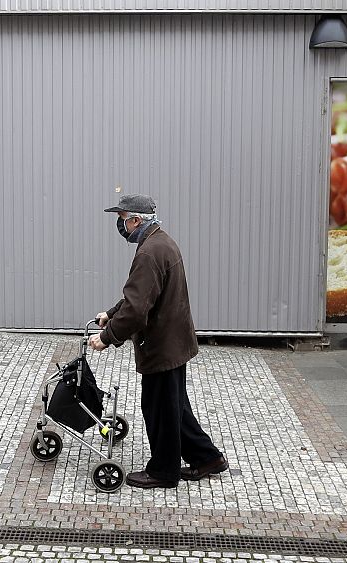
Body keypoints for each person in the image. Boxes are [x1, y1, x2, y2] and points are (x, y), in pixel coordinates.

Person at [88, 194, 228, 489]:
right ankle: (207, 458)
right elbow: (141, 297)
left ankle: (164, 471)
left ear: (136, 220)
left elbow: (138, 310)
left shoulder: (149, 252)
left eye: (122, 218)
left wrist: (107, 336)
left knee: (160, 409)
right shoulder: (161, 242)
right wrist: (111, 314)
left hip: (162, 345)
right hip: (173, 340)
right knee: (174, 405)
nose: (120, 224)